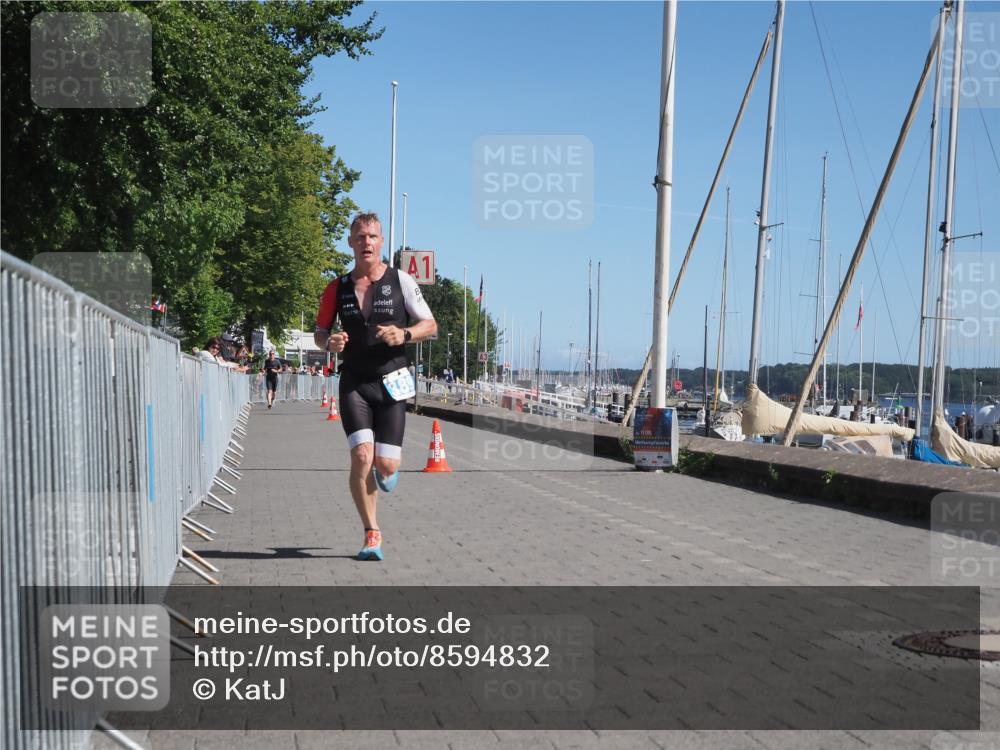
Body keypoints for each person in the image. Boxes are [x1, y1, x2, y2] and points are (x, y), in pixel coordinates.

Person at [314, 212, 437, 561]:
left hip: (392, 381)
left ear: (381, 242)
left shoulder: (401, 281)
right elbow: (320, 332)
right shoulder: (336, 288)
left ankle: (386, 471)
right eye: (360, 236)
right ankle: (372, 532)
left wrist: (406, 334)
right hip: (355, 381)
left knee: (386, 464)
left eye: (372, 236)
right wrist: (329, 343)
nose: (366, 242)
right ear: (350, 243)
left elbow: (430, 325)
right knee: (361, 456)